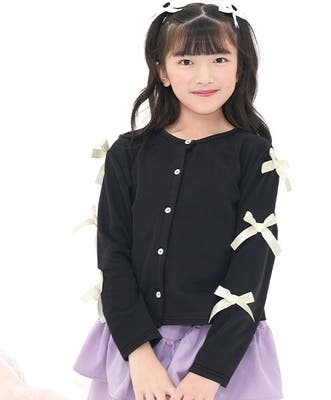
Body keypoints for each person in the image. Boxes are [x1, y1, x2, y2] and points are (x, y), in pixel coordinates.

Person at [73, 2, 292, 400]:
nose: (204, 76)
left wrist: (209, 372)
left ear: (240, 66)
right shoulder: (127, 154)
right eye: (186, 61)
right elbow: (113, 255)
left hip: (225, 360)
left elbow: (253, 269)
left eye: (219, 59)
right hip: (136, 352)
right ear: (162, 70)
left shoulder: (255, 156)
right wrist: (138, 353)